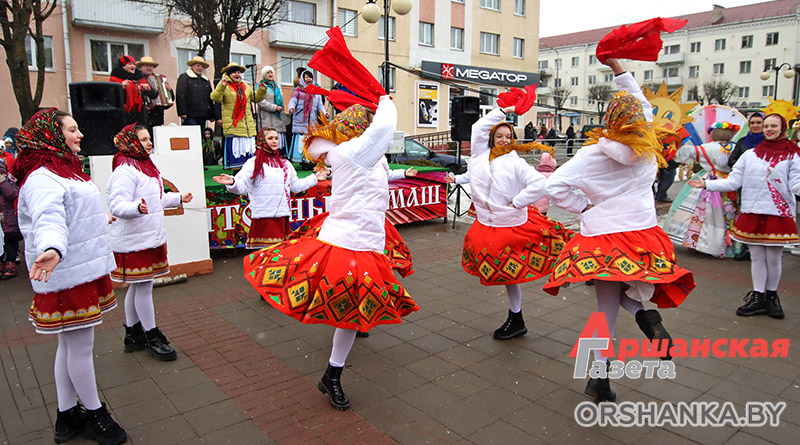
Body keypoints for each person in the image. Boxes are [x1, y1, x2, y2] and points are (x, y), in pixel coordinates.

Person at [243, 97, 419, 411]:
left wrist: (403, 172)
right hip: (349, 242)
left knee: (352, 313)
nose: (369, 126)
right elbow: (386, 125)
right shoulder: (352, 152)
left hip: (368, 240)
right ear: (358, 130)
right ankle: (333, 374)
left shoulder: (369, 156)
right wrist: (384, 99)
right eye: (364, 122)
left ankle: (331, 374)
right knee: (349, 310)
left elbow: (381, 169)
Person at [543, 59, 695, 403]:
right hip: (642, 232)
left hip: (602, 240)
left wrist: (584, 206)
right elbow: (641, 106)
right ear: (639, 121)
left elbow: (554, 187)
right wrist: (620, 70)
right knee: (632, 292)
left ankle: (600, 378)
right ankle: (645, 316)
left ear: (608, 120)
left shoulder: (589, 154)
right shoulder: (648, 147)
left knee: (604, 309)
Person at [12, 108, 127, 444]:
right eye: (72, 130)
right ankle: (95, 415)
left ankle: (66, 416)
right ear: (51, 135)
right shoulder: (42, 178)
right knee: (79, 347)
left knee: (70, 345)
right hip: (65, 273)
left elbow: (70, 213)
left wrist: (97, 219)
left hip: (78, 269)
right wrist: (51, 248)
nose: (80, 135)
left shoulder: (63, 172)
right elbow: (48, 218)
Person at [447, 96, 571, 341]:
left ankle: (559, 273)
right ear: (492, 138)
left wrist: (517, 202)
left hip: (510, 226)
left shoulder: (515, 162)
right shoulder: (481, 156)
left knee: (517, 268)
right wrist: (504, 110)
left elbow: (538, 184)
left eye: (508, 136)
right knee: (506, 274)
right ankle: (517, 318)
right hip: (488, 225)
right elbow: (476, 145)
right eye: (499, 135)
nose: (503, 140)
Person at [689, 113, 800, 319]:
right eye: (766, 126)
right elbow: (733, 181)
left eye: (773, 126)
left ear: (783, 128)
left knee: (774, 259)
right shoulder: (751, 154)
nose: (768, 129)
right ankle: (758, 297)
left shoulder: (793, 155)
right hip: (752, 212)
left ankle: (772, 298)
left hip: (778, 214)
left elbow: (796, 183)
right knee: (757, 257)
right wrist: (706, 184)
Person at [107, 124, 193, 361]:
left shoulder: (145, 166)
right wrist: (136, 207)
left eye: (148, 139)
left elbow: (155, 199)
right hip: (135, 239)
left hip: (148, 236)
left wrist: (177, 198)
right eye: (143, 139)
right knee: (143, 287)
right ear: (130, 142)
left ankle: (133, 333)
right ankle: (151, 334)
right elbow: (116, 205)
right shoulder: (125, 169)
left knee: (137, 286)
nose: (149, 143)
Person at [212, 127, 327, 249]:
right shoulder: (253, 163)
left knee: (280, 258)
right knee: (265, 259)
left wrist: (315, 178)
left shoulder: (285, 164)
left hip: (282, 217)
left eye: (276, 138)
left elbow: (296, 186)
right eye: (270, 138)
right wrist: (232, 182)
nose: (274, 141)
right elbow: (241, 186)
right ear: (262, 141)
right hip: (263, 219)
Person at [663, 122, 739, 257]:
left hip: (706, 182)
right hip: (731, 183)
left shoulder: (707, 148)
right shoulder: (736, 147)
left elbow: (682, 154)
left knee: (701, 214)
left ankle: (701, 243)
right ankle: (730, 245)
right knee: (729, 214)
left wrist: (674, 143)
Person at [211, 62, 267, 169]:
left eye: (239, 72)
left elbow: (256, 98)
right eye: (235, 72)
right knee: (237, 163)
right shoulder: (225, 86)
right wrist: (221, 86)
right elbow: (215, 97)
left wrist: (261, 90)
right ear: (229, 74)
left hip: (248, 127)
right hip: (234, 126)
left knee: (248, 163)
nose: (238, 74)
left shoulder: (245, 86)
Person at [287, 70, 326, 162]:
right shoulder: (298, 91)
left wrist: (325, 113)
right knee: (301, 141)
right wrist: (291, 108)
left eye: (310, 77)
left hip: (312, 121)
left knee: (310, 141)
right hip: (300, 120)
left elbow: (320, 105)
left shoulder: (316, 92)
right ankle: (300, 159)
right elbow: (292, 101)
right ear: (302, 79)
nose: (308, 79)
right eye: (306, 77)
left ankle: (309, 160)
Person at [110, 55, 156, 126]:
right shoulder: (115, 79)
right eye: (130, 64)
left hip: (140, 116)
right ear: (123, 66)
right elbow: (111, 97)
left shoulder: (139, 78)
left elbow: (154, 95)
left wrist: (149, 89)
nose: (133, 66)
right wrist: (121, 87)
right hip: (124, 115)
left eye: (134, 64)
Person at [176, 56, 222, 127]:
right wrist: (182, 112)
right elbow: (181, 95)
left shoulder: (205, 80)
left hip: (203, 114)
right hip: (190, 114)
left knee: (201, 135)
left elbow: (209, 98)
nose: (200, 68)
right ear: (192, 66)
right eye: (198, 65)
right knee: (192, 134)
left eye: (202, 66)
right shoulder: (184, 77)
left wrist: (211, 114)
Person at [137, 56, 174, 135]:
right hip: (143, 113)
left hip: (157, 114)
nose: (149, 68)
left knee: (156, 137)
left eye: (151, 66)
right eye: (146, 66)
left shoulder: (160, 79)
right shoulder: (137, 79)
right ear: (140, 67)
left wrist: (169, 90)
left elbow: (171, 98)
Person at [256, 66, 288, 156]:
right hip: (267, 117)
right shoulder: (260, 86)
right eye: (268, 73)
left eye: (271, 72)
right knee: (268, 135)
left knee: (278, 137)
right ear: (263, 75)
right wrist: (274, 107)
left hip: (278, 118)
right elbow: (260, 101)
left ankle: (279, 157)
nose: (270, 74)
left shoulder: (276, 87)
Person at [0, 159, 19, 279]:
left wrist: (2, 182)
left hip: (9, 219)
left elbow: (11, 195)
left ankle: (10, 265)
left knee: (10, 243)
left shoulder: (9, 182)